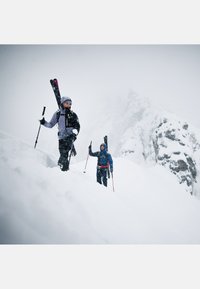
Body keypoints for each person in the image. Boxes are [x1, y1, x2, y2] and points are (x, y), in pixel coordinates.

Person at [40, 96, 80, 171]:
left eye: (70, 104)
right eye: (67, 103)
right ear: (62, 103)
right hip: (61, 138)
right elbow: (51, 124)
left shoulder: (73, 114)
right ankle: (63, 170)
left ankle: (63, 169)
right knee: (62, 153)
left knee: (64, 154)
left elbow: (77, 126)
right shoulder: (58, 114)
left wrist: (74, 134)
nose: (69, 105)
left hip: (69, 137)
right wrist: (44, 122)